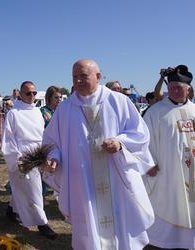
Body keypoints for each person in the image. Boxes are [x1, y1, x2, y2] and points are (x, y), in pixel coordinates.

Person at [42, 59, 155, 250]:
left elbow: (140, 134)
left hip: (116, 179)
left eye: (83, 76)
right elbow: (51, 141)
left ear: (98, 77)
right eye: (74, 77)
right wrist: (53, 157)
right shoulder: (65, 108)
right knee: (89, 231)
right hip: (82, 182)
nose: (77, 81)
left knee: (121, 227)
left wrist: (120, 143)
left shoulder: (118, 101)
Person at [143, 65, 195, 249]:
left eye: (178, 87)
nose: (173, 90)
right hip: (167, 171)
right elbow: (144, 141)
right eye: (171, 86)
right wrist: (148, 163)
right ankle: (166, 241)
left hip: (192, 172)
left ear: (188, 90)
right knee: (169, 202)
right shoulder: (155, 112)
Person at [1, 81, 57, 239]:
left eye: (34, 93)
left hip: (39, 154)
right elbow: (8, 138)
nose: (32, 96)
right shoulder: (13, 113)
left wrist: (47, 151)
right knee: (34, 190)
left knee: (23, 188)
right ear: (20, 93)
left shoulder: (37, 112)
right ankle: (42, 223)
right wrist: (16, 157)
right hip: (24, 156)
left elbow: (43, 134)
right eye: (28, 93)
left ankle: (12, 210)